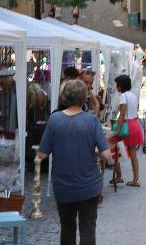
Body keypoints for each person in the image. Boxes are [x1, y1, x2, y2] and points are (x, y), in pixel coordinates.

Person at [37, 79, 113, 245]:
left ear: (64, 97)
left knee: (67, 227)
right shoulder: (91, 121)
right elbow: (107, 154)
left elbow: (42, 154)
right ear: (84, 97)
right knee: (87, 229)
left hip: (63, 186)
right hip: (89, 186)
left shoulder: (55, 119)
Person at [113, 75, 142, 187]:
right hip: (135, 124)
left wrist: (117, 130)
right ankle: (136, 179)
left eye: (117, 85)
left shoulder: (123, 96)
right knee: (133, 153)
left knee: (115, 151)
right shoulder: (133, 95)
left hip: (127, 125)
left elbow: (122, 115)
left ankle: (119, 176)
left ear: (120, 86)